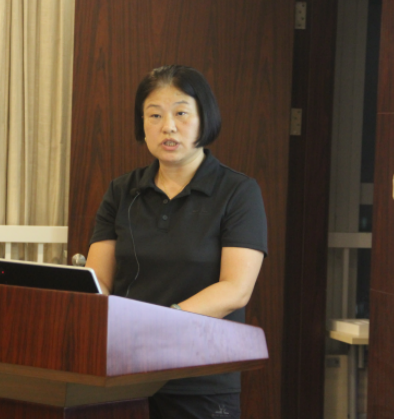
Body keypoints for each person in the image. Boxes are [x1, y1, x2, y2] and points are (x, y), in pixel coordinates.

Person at [85, 65, 268, 419]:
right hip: (124, 372)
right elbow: (98, 281)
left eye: (181, 113)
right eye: (154, 115)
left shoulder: (238, 192)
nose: (168, 126)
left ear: (204, 119)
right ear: (142, 123)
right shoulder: (121, 191)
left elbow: (236, 289)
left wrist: (162, 324)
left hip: (201, 378)